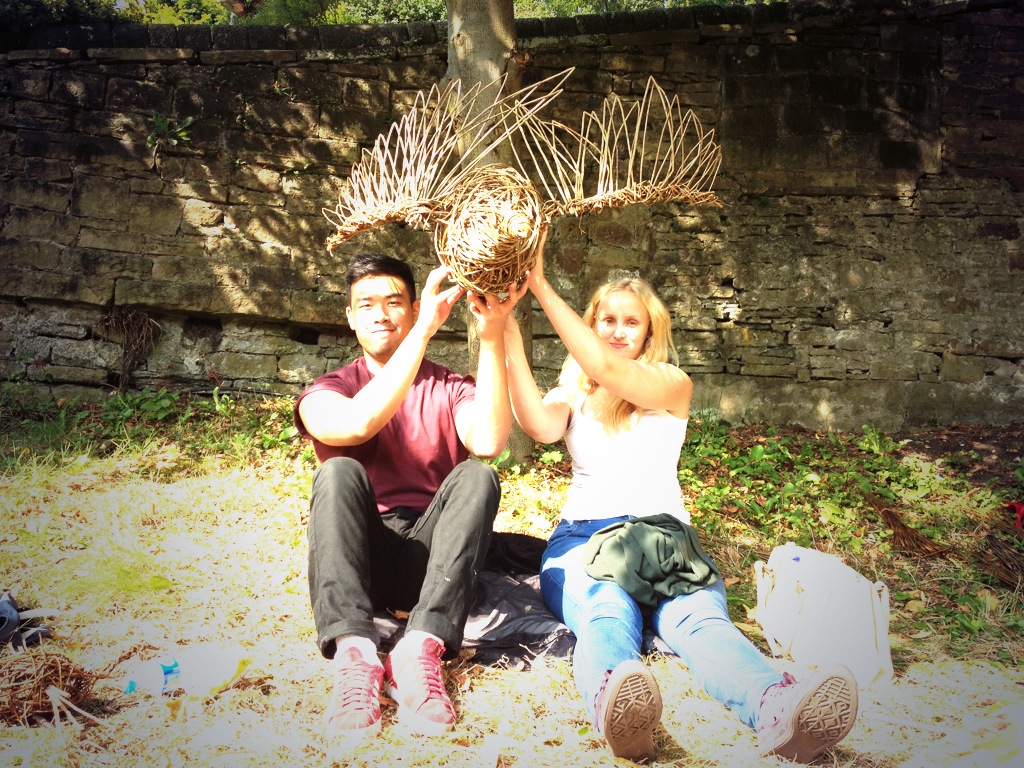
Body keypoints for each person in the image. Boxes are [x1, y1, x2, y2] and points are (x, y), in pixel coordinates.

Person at [503, 227, 859, 764]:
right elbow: (537, 425)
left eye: (631, 322)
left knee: (701, 623)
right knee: (605, 611)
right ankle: (618, 710)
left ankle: (780, 710)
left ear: (649, 334)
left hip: (664, 539)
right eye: (607, 320)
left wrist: (542, 287)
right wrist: (502, 322)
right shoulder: (570, 393)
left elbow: (606, 367)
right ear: (592, 321)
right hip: (583, 539)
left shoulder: (671, 383)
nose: (618, 331)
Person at [294, 252, 520, 742]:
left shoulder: (449, 386)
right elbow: (356, 424)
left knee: (478, 475)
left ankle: (420, 649)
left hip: (431, 557)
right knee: (337, 473)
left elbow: (488, 442)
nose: (380, 314)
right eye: (366, 304)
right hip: (364, 559)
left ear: (415, 308)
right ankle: (355, 657)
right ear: (350, 318)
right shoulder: (330, 388)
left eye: (394, 302)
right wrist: (423, 334)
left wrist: (492, 336)